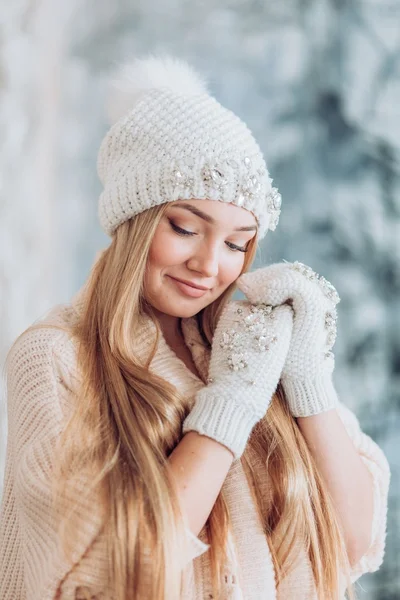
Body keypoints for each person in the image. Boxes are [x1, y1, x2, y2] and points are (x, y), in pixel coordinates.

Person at [0, 55, 390, 600]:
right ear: (133, 220)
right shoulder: (54, 359)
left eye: (237, 243)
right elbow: (107, 576)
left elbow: (352, 544)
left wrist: (308, 382)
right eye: (185, 227)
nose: (210, 265)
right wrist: (229, 406)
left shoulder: (251, 343)